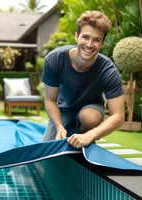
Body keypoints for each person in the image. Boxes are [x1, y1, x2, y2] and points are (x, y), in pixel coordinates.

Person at [42, 10, 125, 148]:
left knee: (90, 117)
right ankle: (68, 131)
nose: (90, 44)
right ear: (76, 37)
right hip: (63, 111)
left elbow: (118, 116)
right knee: (47, 152)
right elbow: (50, 100)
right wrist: (59, 126)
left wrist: (90, 135)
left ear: (102, 43)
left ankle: (83, 137)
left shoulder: (108, 70)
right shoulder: (54, 60)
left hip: (91, 111)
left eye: (96, 40)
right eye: (85, 37)